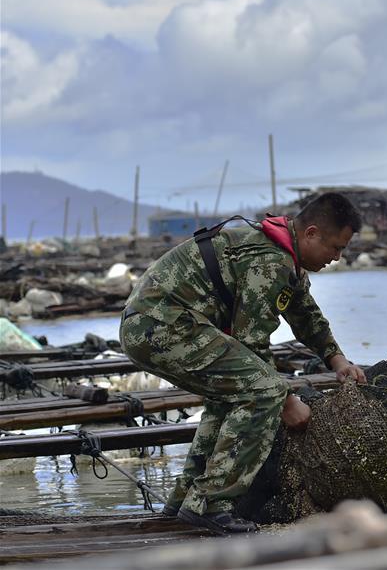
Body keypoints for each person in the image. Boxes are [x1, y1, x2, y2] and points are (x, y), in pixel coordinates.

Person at [120, 193, 366, 534]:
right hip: (163, 326)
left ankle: (185, 502)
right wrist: (287, 400)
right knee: (264, 391)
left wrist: (338, 360)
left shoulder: (284, 256)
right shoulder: (270, 261)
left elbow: (306, 314)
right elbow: (251, 343)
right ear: (311, 233)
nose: (337, 258)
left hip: (159, 326)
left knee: (230, 397)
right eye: (335, 248)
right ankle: (212, 504)